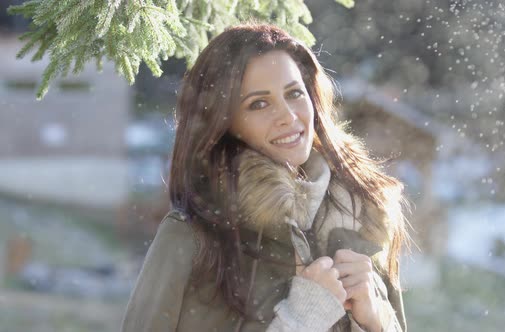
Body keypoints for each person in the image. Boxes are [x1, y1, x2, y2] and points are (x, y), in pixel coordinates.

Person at [121, 22, 410, 332]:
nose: (288, 115)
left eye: (294, 93)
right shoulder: (193, 239)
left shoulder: (361, 216)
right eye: (258, 104)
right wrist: (300, 320)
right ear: (225, 123)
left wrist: (377, 320)